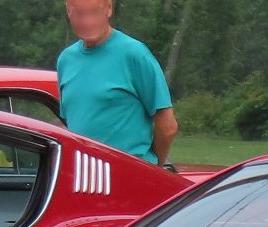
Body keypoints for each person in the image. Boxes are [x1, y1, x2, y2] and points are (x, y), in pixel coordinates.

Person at [57, 0, 179, 167]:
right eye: (79, 13)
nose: (87, 21)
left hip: (129, 176)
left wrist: (153, 167)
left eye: (94, 12)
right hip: (85, 179)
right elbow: (73, 123)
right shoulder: (66, 60)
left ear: (108, 8)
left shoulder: (134, 54)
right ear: (68, 11)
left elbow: (167, 127)